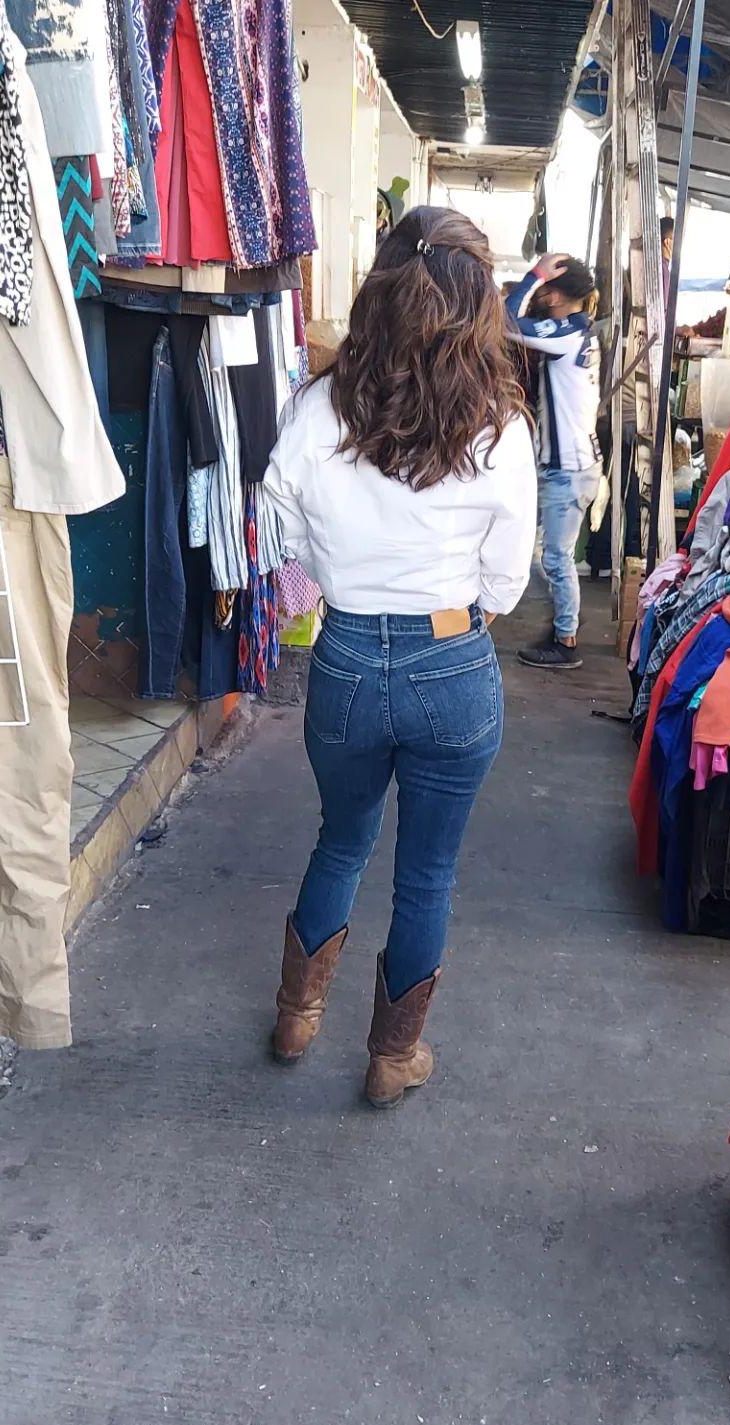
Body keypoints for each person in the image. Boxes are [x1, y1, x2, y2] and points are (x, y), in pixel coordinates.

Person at [264, 207, 537, 1109]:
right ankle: (392, 1058)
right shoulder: (501, 426)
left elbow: (277, 522)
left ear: (378, 291)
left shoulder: (318, 408)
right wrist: (461, 615)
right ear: (481, 305)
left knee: (341, 838)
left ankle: (297, 1016)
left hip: (344, 654)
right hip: (452, 660)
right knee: (427, 872)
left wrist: (340, 572)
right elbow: (507, 577)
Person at [506, 253, 602, 669]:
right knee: (545, 551)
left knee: (557, 558)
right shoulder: (582, 332)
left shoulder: (565, 335)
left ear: (559, 295)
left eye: (548, 289)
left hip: (570, 468)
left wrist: (532, 277)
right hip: (570, 463)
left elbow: (504, 322)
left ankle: (565, 642)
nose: (542, 295)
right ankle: (561, 625)